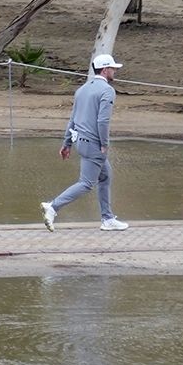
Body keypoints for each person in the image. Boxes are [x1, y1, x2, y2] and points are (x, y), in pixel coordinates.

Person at [41, 54, 129, 232]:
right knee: (87, 183)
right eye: (112, 68)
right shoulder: (107, 91)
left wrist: (67, 144)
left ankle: (107, 218)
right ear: (105, 70)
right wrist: (104, 144)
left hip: (80, 141)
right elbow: (103, 121)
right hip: (94, 144)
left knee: (105, 176)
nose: (114, 71)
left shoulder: (82, 90)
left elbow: (72, 119)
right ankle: (53, 207)